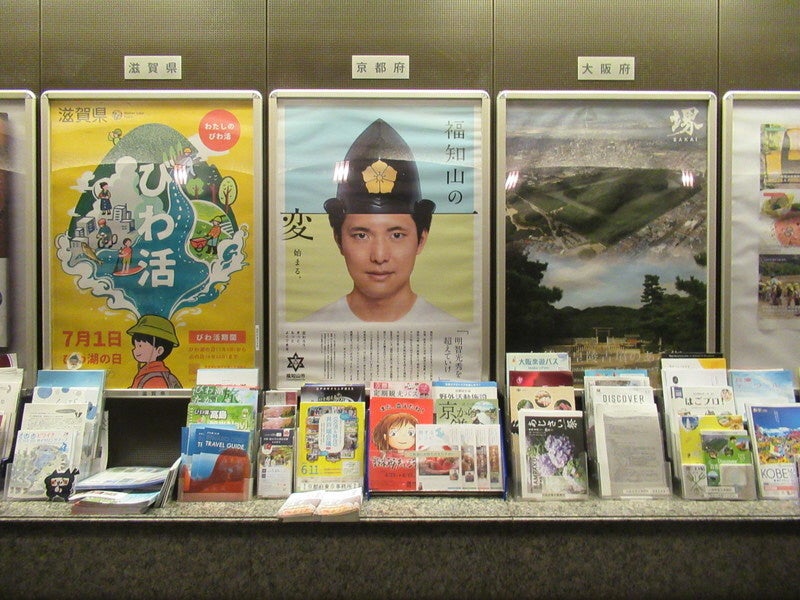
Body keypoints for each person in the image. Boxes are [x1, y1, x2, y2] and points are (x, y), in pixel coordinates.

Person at [304, 118, 457, 323]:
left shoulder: (450, 331)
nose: (379, 256)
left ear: (421, 239)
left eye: (396, 235)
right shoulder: (310, 330)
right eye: (361, 235)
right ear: (338, 239)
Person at [126, 314, 183, 389]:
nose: (135, 350)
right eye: (135, 346)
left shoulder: (155, 378)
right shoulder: (149, 372)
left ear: (159, 351)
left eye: (140, 346)